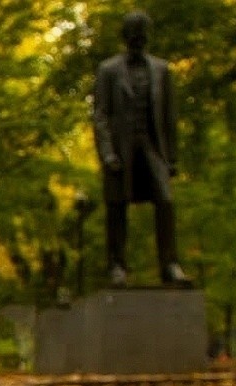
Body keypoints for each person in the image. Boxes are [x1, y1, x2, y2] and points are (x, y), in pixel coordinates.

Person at [92, 11, 189, 286]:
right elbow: (100, 115)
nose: (138, 39)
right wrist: (107, 153)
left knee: (165, 200)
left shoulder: (162, 70)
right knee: (117, 205)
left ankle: (169, 264)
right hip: (121, 149)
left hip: (152, 146)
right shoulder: (108, 70)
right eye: (134, 34)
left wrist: (172, 157)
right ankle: (117, 265)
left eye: (142, 34)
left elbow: (169, 117)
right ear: (125, 37)